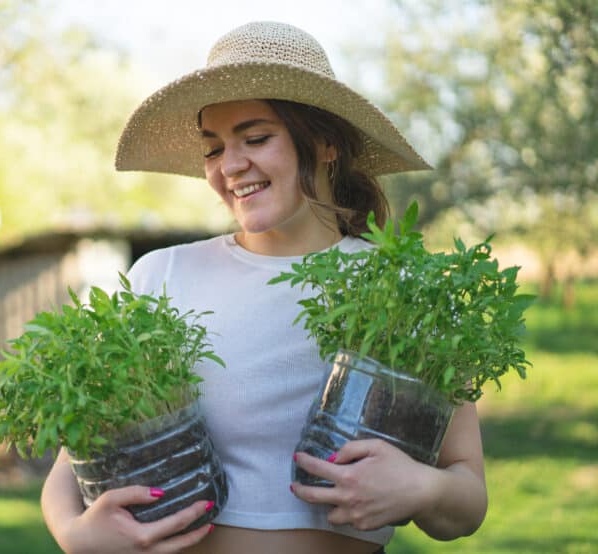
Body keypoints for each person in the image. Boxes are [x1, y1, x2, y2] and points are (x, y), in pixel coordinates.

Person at [41, 21, 487, 554]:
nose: (230, 167)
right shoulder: (160, 276)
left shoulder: (402, 289)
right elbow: (69, 468)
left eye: (255, 138)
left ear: (325, 144)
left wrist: (422, 486)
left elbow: (467, 497)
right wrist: (74, 535)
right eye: (213, 148)